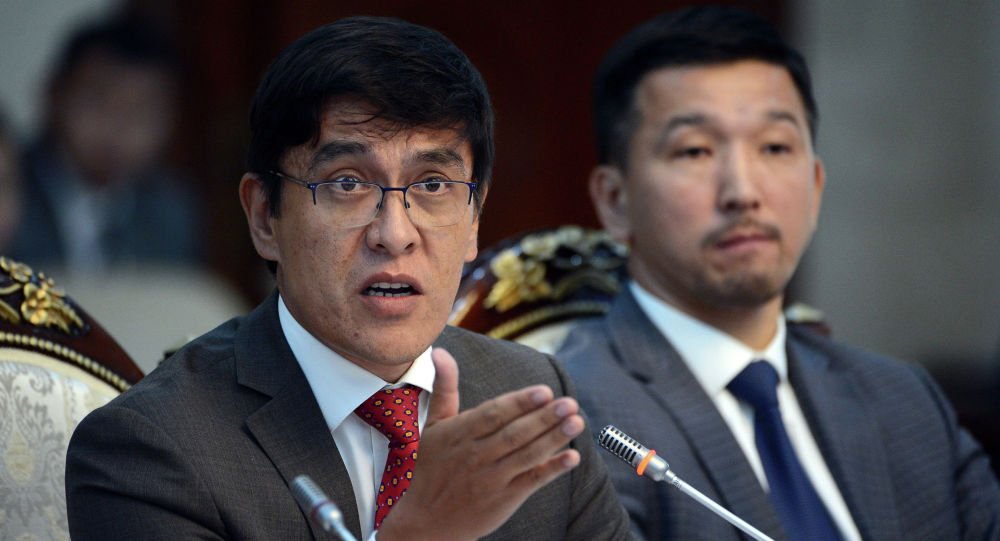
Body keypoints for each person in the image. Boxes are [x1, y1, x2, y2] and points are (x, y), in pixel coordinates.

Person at [65, 16, 630, 541]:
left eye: (433, 185)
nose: (395, 234)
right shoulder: (150, 447)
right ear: (264, 217)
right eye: (347, 183)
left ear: (475, 219)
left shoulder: (534, 399)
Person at [557, 6, 1000, 541]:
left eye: (774, 147)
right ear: (614, 200)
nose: (743, 192)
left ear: (815, 186)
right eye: (695, 150)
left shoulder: (904, 401)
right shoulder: (574, 420)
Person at [8, 16, 200, 272]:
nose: (119, 125)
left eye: (142, 111)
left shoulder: (168, 208)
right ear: (54, 95)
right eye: (98, 99)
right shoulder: (10, 186)